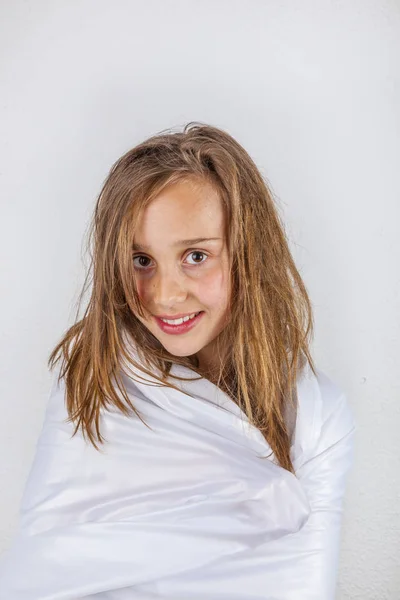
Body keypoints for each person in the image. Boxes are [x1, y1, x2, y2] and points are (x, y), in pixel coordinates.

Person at [0, 122, 356, 599]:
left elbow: (301, 587)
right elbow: (37, 574)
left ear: (248, 253)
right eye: (140, 261)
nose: (165, 295)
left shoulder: (314, 416)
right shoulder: (90, 385)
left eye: (195, 256)